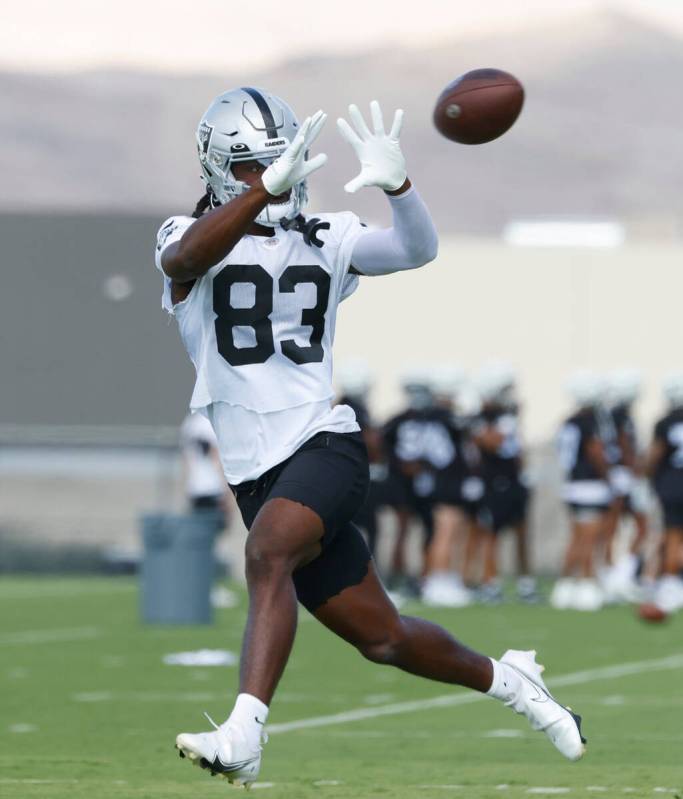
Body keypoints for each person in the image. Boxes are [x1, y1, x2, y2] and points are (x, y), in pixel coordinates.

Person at [155, 87, 585, 786]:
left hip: (322, 443)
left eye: (280, 161)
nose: (271, 177)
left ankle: (244, 731)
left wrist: (400, 186)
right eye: (251, 167)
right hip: (253, 468)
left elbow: (415, 249)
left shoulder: (324, 235)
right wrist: (259, 194)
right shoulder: (184, 234)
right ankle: (513, 681)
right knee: (382, 637)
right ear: (215, 168)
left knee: (267, 552)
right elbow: (184, 263)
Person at [471, 363, 535, 604]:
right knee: (491, 534)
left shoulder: (510, 414)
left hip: (513, 481)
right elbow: (491, 444)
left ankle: (526, 583)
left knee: (522, 533)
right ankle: (491, 582)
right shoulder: (482, 417)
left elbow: (517, 450)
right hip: (493, 483)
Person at [551, 371, 610, 611]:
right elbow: (596, 452)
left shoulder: (569, 420)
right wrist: (608, 474)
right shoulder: (590, 421)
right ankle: (586, 584)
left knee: (577, 537)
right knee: (589, 538)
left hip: (573, 483)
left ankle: (565, 585)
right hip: (590, 485)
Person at [643, 373, 683, 616]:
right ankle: (671, 582)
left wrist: (646, 477)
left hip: (671, 485)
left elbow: (655, 456)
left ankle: (669, 583)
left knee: (672, 536)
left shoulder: (665, 422)